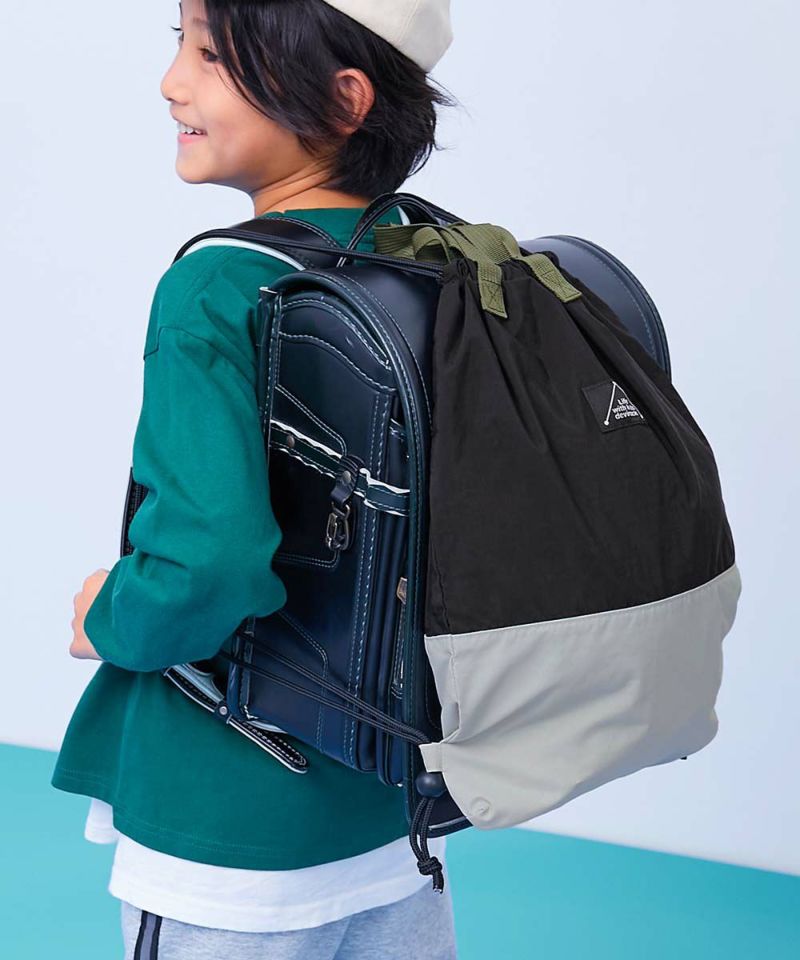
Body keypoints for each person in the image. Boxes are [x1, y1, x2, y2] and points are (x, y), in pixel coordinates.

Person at [52, 1, 461, 956]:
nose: (172, 84)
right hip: (394, 802)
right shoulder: (431, 256)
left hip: (228, 819)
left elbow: (209, 560)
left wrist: (111, 616)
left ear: (344, 100)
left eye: (212, 55)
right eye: (180, 46)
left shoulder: (216, 286)